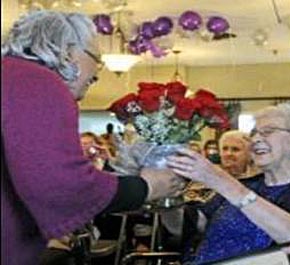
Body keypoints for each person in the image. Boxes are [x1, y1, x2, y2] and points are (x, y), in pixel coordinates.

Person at [1, 10, 185, 265]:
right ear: (68, 52)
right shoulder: (38, 82)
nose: (97, 75)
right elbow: (62, 186)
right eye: (95, 59)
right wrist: (147, 187)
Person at [167, 103, 290, 264]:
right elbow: (188, 226)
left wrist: (220, 181)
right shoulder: (248, 185)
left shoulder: (234, 187)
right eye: (254, 133)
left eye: (267, 132)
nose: (256, 139)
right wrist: (167, 198)